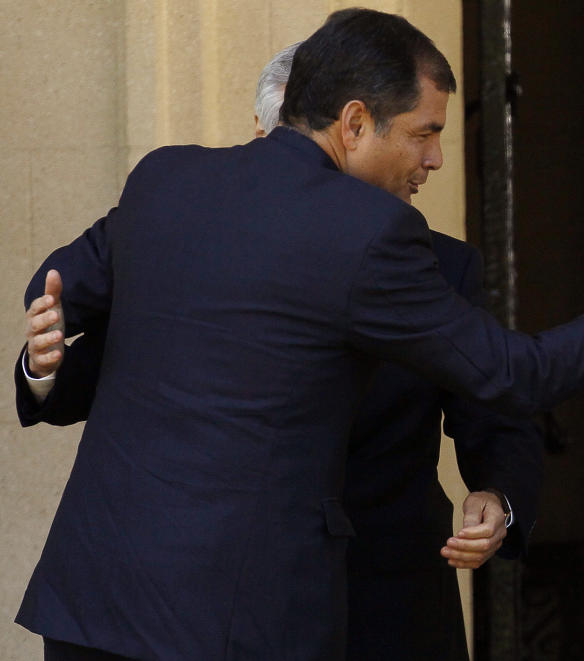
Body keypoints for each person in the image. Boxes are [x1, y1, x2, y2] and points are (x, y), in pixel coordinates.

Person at [16, 9, 584, 660]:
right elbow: (517, 375)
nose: (434, 158)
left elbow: (58, 285)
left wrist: (46, 342)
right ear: (354, 122)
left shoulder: (167, 176)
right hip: (233, 622)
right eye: (422, 132)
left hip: (91, 603)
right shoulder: (365, 231)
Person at [16, 41, 543, 661]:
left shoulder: (441, 264)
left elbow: (500, 398)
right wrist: (41, 371)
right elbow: (105, 368)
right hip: (242, 607)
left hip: (386, 599)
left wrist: (499, 495)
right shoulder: (198, 257)